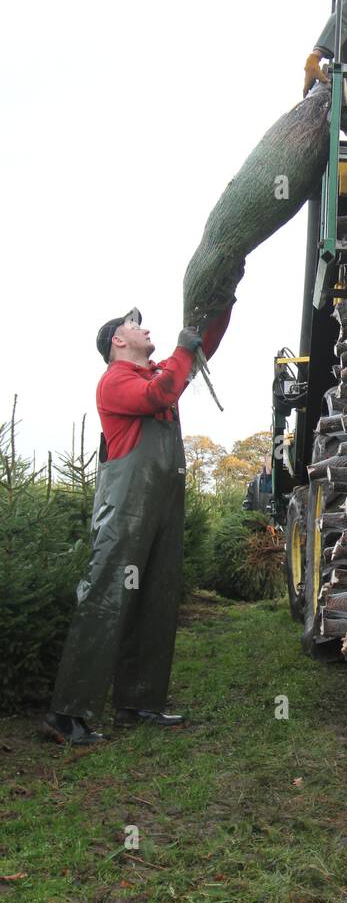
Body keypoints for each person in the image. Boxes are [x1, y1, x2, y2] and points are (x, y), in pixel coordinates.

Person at [43, 305, 232, 746]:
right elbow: (159, 396)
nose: (144, 327)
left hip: (160, 509)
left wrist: (222, 300)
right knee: (106, 599)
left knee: (157, 597)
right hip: (123, 514)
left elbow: (199, 351)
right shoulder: (117, 382)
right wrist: (183, 349)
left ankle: (139, 703)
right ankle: (66, 713)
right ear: (118, 341)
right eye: (134, 324)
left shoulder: (156, 373)